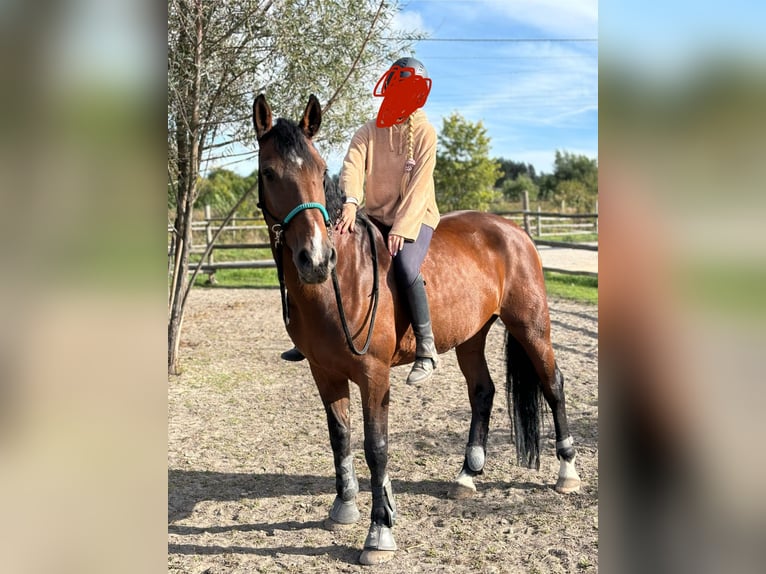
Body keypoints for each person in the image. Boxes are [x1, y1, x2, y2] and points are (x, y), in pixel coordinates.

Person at [334, 56, 440, 384]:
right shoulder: (368, 131)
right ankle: (321, 334)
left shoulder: (425, 133)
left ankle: (426, 346)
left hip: (417, 215)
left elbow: (420, 188)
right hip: (375, 213)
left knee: (406, 267)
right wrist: (350, 202)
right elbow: (351, 165)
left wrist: (403, 228)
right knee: (337, 249)